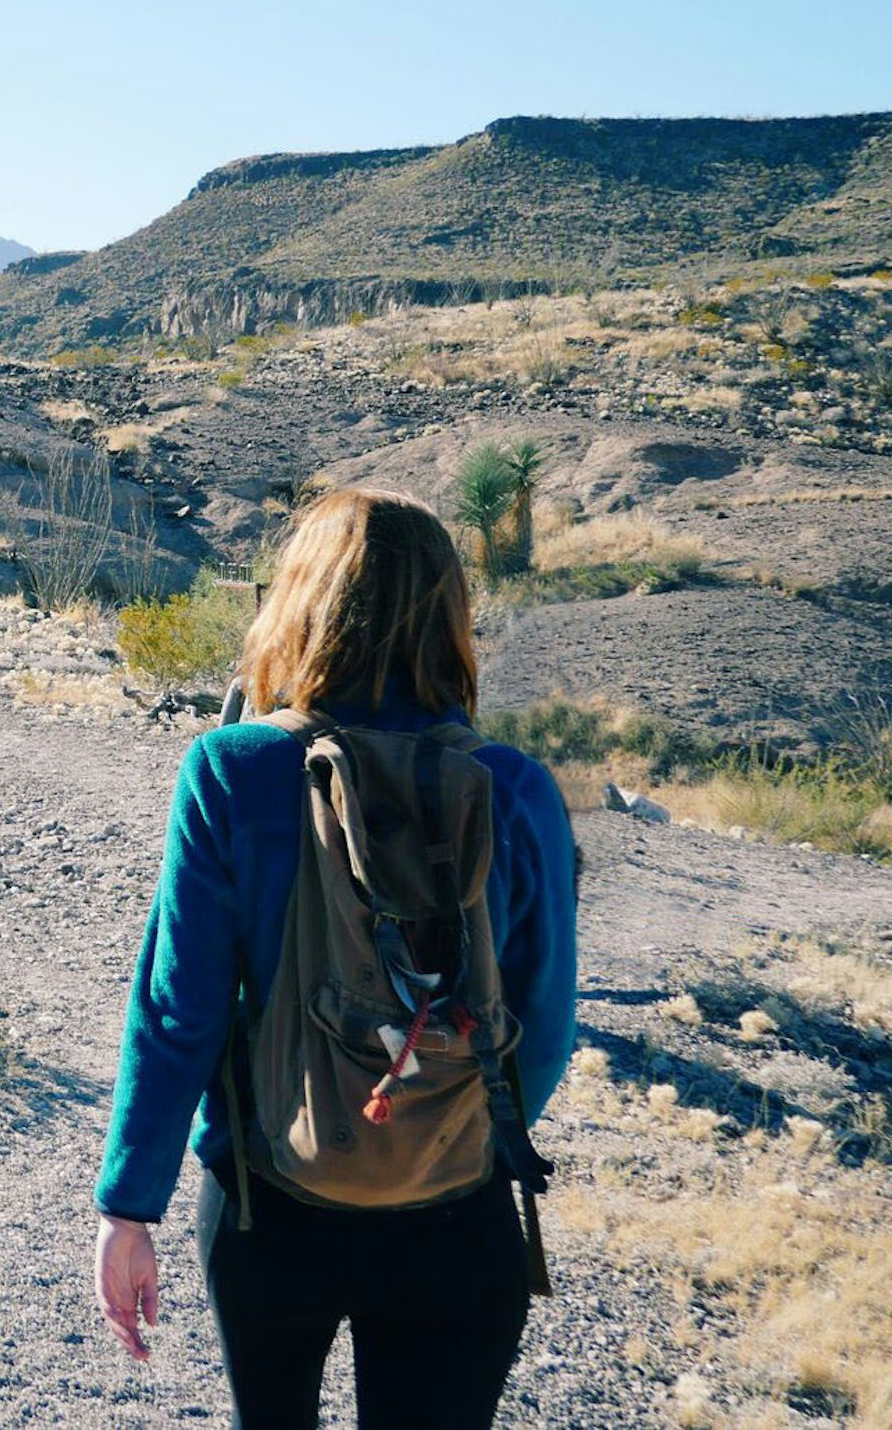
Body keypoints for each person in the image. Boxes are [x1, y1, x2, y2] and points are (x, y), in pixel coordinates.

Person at [90, 488, 578, 1429]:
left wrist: (129, 1206)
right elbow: (545, 1025)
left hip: (269, 1209)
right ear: (449, 614)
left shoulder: (232, 770)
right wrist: (444, 1132)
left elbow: (177, 1013)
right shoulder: (515, 788)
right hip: (458, 1218)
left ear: (301, 601)